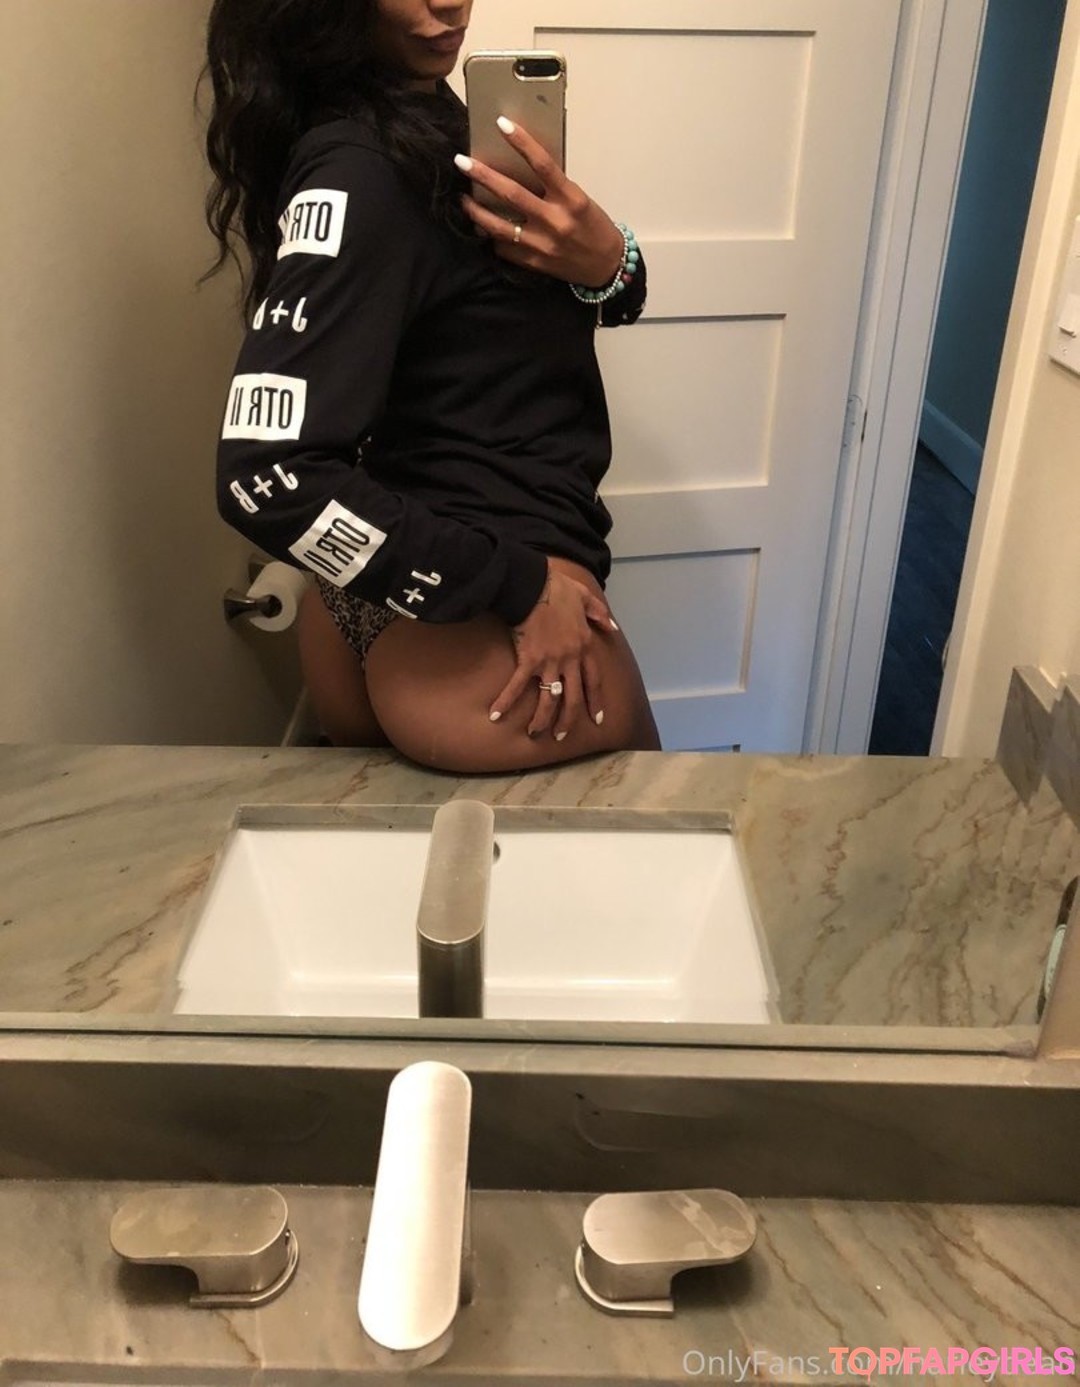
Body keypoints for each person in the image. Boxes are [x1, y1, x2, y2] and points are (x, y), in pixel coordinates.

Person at [203, 0, 660, 772]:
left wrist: (612, 263)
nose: (448, 1)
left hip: (388, 613)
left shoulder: (416, 131)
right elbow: (263, 473)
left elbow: (482, 330)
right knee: (659, 837)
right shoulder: (363, 168)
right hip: (496, 629)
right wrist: (520, 586)